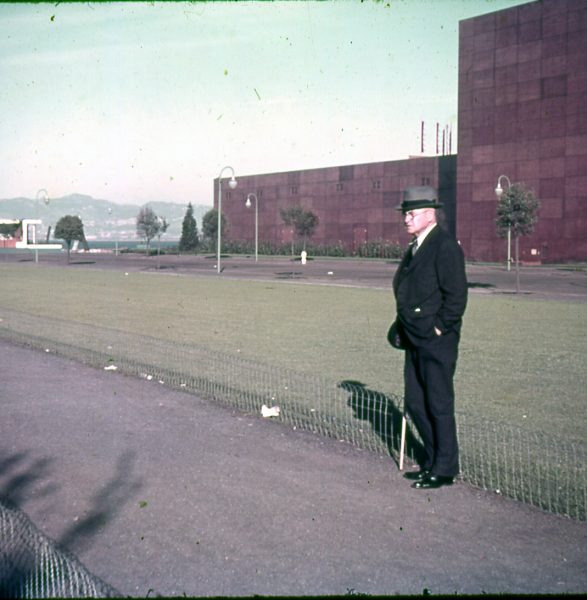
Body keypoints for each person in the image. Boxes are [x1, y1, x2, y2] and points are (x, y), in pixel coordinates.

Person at [388, 185, 468, 489]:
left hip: (436, 341)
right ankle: (433, 461)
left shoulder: (444, 246)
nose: (406, 219)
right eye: (405, 214)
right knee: (416, 402)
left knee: (438, 403)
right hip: (414, 338)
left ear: (430, 214)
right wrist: (402, 326)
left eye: (411, 214)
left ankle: (445, 469)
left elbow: (456, 297)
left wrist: (438, 328)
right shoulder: (417, 245)